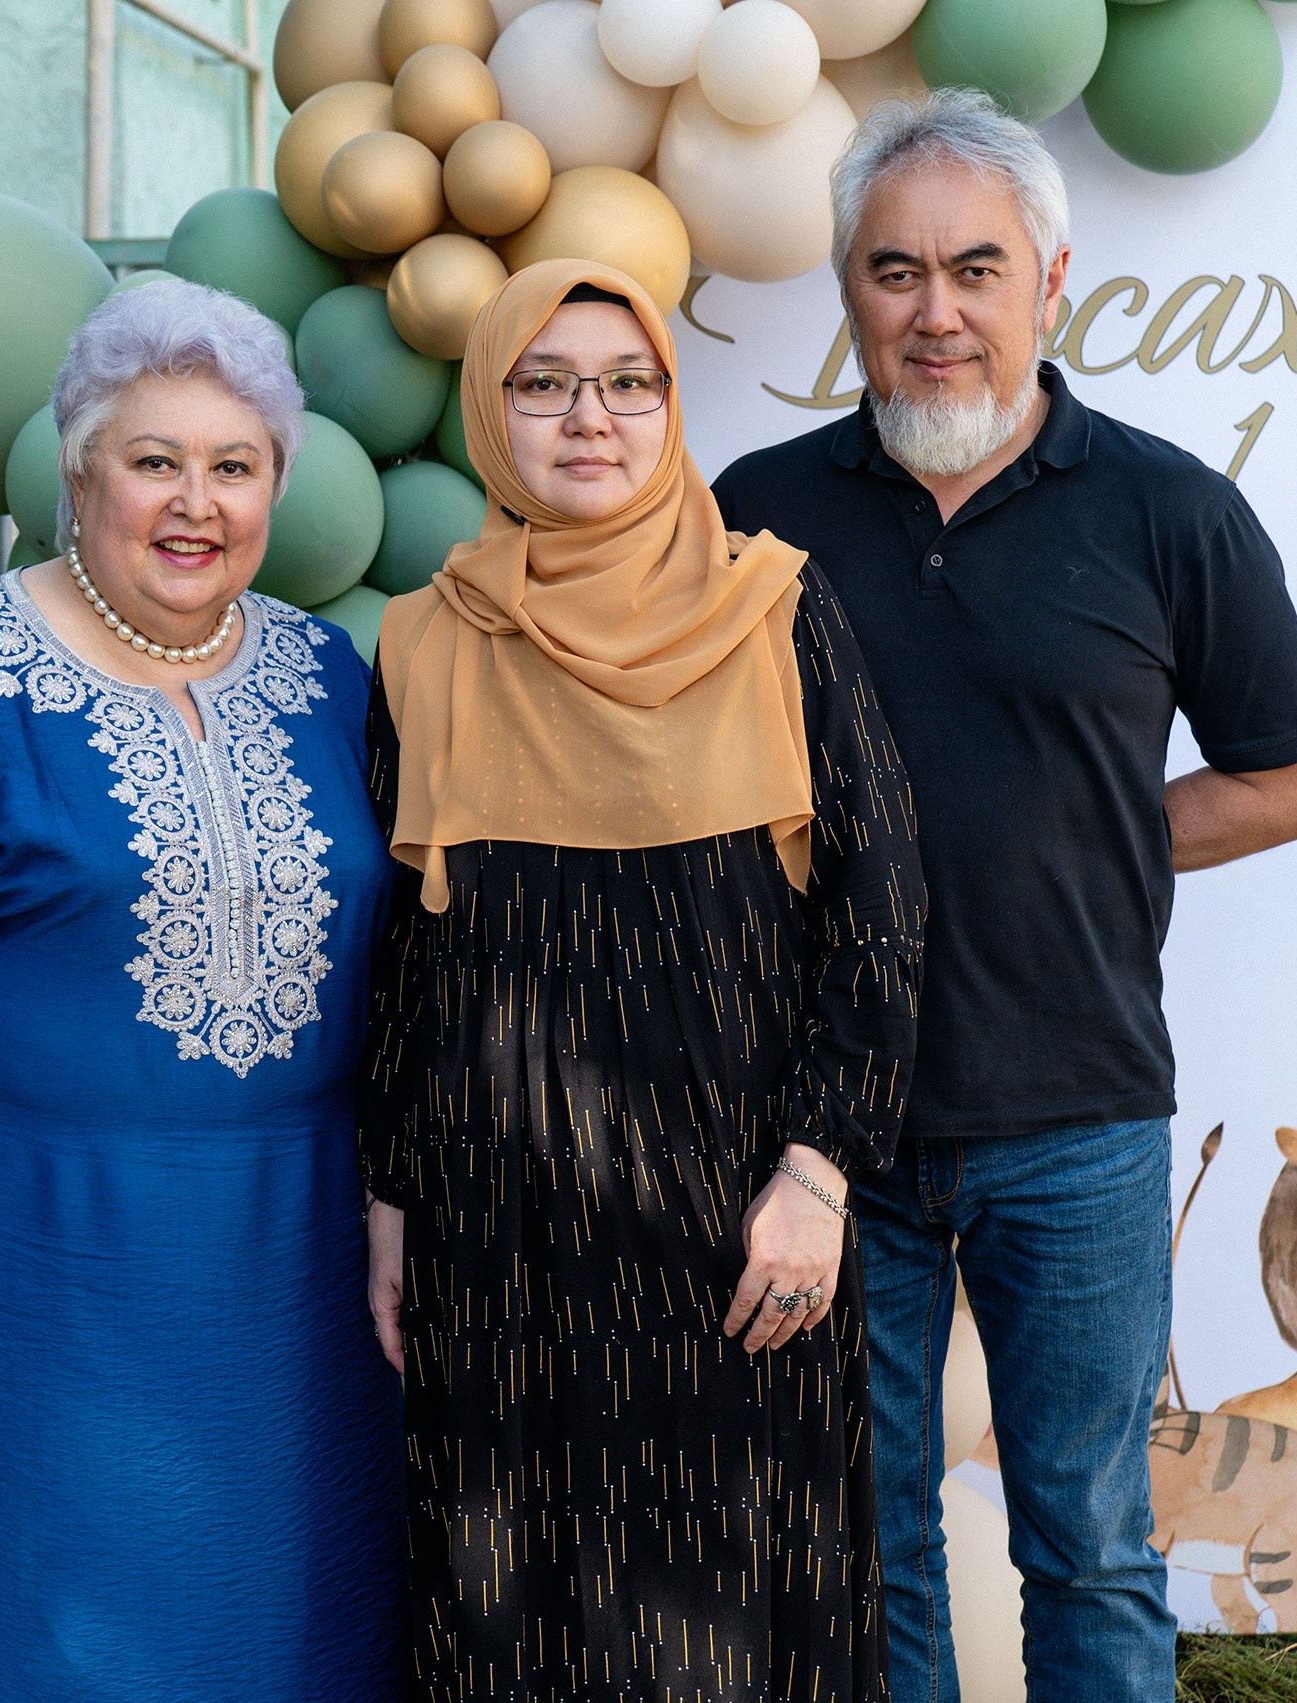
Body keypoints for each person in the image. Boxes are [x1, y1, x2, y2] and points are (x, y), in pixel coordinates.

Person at [711, 91, 1297, 1703]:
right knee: (866, 1540)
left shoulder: (1169, 509)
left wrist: (1088, 845)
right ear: (848, 288)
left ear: (1050, 281)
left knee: (1091, 1544)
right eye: (896, 271)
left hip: (1079, 1117)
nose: (937, 312)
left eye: (976, 269)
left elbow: (1289, 779)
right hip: (825, 1131)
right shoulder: (755, 515)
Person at [0, 277, 402, 1702]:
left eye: (235, 466)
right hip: (44, 1248)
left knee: (299, 1611)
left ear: (276, 487)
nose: (196, 503)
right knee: (57, 1621)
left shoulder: (331, 678)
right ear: (80, 476)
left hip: (306, 1252)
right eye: (155, 462)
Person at [363, 258, 926, 1703]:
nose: (589, 418)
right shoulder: (425, 641)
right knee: (517, 1616)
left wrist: (817, 1176)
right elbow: (408, 954)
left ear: (671, 407)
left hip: (735, 1222)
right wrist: (393, 1201)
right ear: (491, 415)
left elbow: (878, 910)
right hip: (500, 1234)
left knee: (735, 1616)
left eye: (629, 384)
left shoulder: (775, 610)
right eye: (543, 385)